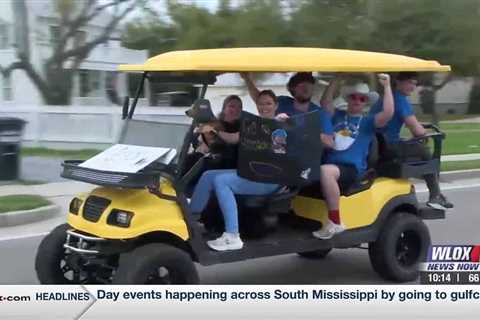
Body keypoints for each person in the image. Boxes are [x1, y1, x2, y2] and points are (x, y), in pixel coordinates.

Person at [189, 90, 284, 251]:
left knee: (222, 181)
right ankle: (191, 219)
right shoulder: (255, 125)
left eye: (268, 103)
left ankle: (232, 235)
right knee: (208, 175)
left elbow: (283, 155)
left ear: (276, 106)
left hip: (268, 178)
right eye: (261, 103)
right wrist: (213, 130)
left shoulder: (280, 126)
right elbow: (233, 138)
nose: (264, 106)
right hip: (252, 173)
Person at [312, 74, 394, 239]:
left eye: (362, 99)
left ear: (365, 102)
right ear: (349, 99)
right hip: (332, 165)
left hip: (351, 169)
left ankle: (335, 221)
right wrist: (336, 77)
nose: (357, 100)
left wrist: (387, 87)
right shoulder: (338, 115)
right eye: (354, 97)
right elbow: (325, 103)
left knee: (325, 171)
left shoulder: (368, 122)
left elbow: (388, 113)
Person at [369, 72, 453, 209]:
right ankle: (435, 195)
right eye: (409, 82)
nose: (412, 87)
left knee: (414, 145)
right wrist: (421, 133)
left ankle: (434, 192)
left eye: (414, 83)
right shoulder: (400, 100)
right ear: (397, 82)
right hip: (389, 147)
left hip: (376, 145)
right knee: (424, 151)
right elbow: (418, 131)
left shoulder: (386, 98)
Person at [241, 72, 334, 148]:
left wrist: (298, 128)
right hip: (278, 154)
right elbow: (260, 99)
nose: (306, 88)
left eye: (309, 85)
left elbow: (329, 143)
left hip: (305, 160)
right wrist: (247, 79)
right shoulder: (282, 102)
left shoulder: (320, 113)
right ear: (292, 88)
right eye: (301, 85)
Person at [185, 95, 243, 172]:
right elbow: (198, 144)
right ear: (224, 108)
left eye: (239, 107)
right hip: (206, 160)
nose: (236, 109)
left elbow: (232, 139)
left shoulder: (244, 128)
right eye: (231, 106)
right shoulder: (213, 123)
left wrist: (212, 131)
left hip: (225, 167)